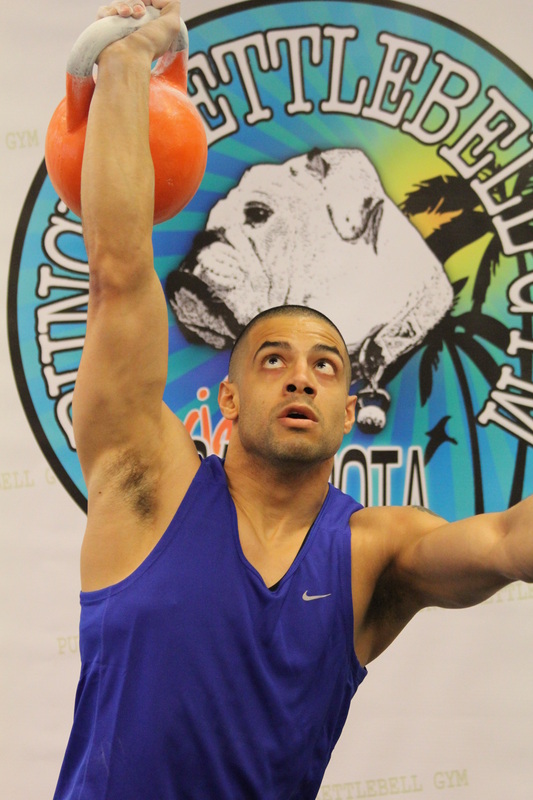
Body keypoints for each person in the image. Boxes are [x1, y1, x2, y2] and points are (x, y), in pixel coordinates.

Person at [54, 1, 533, 798]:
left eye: (327, 365)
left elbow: (508, 543)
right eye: (272, 359)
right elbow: (118, 271)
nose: (301, 376)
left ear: (350, 409)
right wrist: (127, 64)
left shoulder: (374, 552)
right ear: (228, 397)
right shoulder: (146, 484)